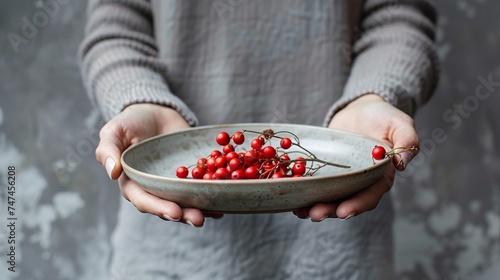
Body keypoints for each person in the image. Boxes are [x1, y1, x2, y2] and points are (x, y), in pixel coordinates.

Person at [79, 0, 438, 279]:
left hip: (341, 245)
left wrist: (375, 96)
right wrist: (140, 99)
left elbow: (397, 18)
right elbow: (116, 32)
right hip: (169, 245)